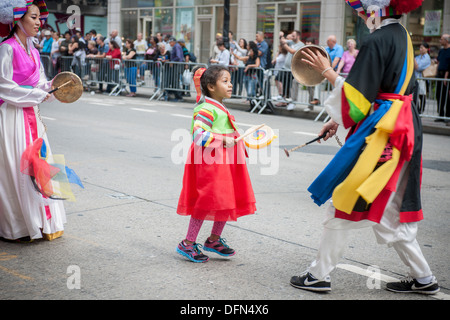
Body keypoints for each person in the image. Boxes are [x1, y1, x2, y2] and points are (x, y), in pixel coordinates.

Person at [290, 0, 440, 295]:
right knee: (389, 208)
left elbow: (357, 101)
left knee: (347, 199)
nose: (359, 15)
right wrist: (339, 120)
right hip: (402, 125)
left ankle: (319, 274)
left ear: (375, 9)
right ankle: (424, 278)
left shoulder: (376, 40)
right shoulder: (403, 36)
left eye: (361, 10)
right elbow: (380, 93)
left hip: (384, 131)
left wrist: (327, 72)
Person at [0, 0, 66, 242]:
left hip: (32, 115)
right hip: (12, 116)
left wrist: (52, 86)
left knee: (39, 162)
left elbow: (39, 82)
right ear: (18, 19)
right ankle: (17, 226)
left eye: (40, 18)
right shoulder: (7, 48)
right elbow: (3, 86)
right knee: (15, 168)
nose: (40, 23)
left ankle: (41, 222)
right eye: (34, 17)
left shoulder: (35, 50)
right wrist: (38, 94)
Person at [176, 65, 256, 263]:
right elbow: (198, 135)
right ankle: (188, 242)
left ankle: (213, 239)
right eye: (225, 81)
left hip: (226, 160)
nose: (230, 85)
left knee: (226, 198)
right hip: (211, 161)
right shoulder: (206, 108)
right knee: (206, 199)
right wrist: (221, 139)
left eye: (230, 81)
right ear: (211, 86)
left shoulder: (218, 106)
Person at [280, 30, 305, 110]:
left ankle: (293, 102)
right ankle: (285, 99)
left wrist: (285, 45)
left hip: (294, 69)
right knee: (285, 85)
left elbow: (292, 51)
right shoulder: (291, 42)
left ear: (298, 36)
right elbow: (283, 41)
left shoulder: (301, 45)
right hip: (286, 68)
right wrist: (281, 36)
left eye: (293, 36)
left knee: (292, 86)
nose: (292, 37)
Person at [435, 34, 450, 122]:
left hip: (447, 75)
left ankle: (447, 115)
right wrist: (436, 73)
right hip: (440, 75)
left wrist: (446, 76)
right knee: (439, 95)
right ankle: (440, 114)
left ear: (446, 41)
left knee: (447, 96)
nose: (440, 41)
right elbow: (438, 62)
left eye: (442, 39)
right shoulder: (441, 51)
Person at [414, 42, 431, 114]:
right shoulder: (418, 57)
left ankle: (421, 110)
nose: (420, 49)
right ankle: (417, 110)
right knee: (416, 95)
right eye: (420, 48)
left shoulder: (427, 58)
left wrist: (413, 59)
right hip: (416, 78)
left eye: (422, 48)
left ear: (426, 49)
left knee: (421, 95)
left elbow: (417, 67)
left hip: (422, 79)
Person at [166, 36, 184, 102]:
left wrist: (172, 61)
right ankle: (177, 96)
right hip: (176, 65)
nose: (170, 44)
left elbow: (178, 57)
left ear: (173, 42)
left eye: (170, 42)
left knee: (175, 81)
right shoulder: (176, 46)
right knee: (174, 81)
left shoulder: (176, 46)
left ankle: (179, 97)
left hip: (177, 66)